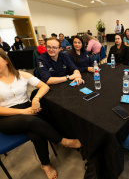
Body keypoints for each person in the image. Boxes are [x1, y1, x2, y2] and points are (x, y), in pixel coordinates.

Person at [0, 48, 82, 179]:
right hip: (6, 117)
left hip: (28, 110)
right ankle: (63, 141)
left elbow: (45, 86)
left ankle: (45, 165)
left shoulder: (21, 75)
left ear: (5, 60)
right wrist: (23, 111)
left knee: (37, 134)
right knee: (32, 120)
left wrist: (36, 99)